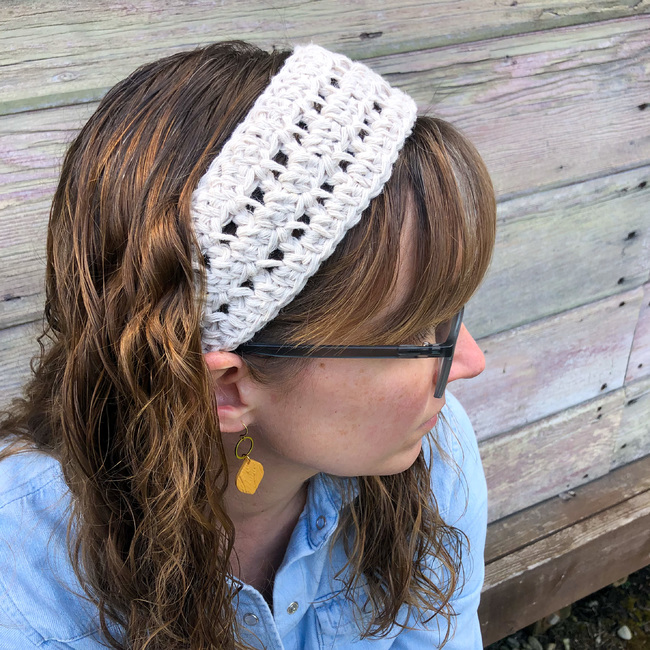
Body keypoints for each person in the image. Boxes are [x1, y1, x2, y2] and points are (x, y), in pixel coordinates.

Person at [0, 40, 496, 649]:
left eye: (449, 314)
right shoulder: (26, 579)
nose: (470, 361)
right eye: (417, 334)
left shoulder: (434, 455)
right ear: (226, 390)